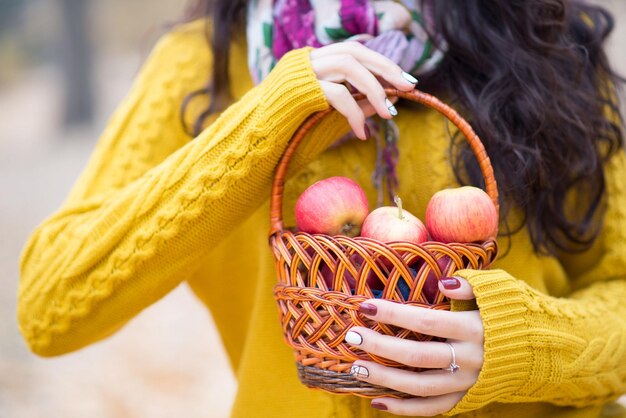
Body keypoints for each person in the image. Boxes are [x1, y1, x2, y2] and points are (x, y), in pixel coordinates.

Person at [17, 0, 626, 417]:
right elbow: (52, 306)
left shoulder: (541, 37)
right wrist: (265, 123)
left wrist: (524, 345)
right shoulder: (202, 66)